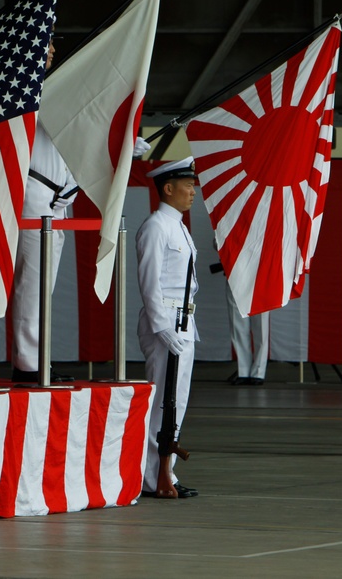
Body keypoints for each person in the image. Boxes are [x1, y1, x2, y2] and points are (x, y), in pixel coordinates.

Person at [9, 37, 77, 383]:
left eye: (53, 47)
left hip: (57, 197)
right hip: (35, 191)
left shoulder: (53, 87)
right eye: (44, 45)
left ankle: (38, 357)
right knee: (33, 281)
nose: (51, 51)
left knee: (44, 283)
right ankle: (27, 362)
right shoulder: (24, 87)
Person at [136, 157, 200, 499]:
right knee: (162, 402)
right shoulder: (156, 226)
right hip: (166, 324)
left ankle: (166, 474)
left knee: (178, 402)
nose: (192, 191)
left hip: (184, 322)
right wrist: (162, 327)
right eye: (187, 185)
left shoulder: (179, 227)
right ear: (168, 188)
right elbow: (150, 284)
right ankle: (151, 477)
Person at [226, 279, 270, 385]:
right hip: (236, 275)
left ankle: (259, 372)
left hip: (261, 275)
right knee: (238, 327)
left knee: (261, 327)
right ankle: (243, 371)